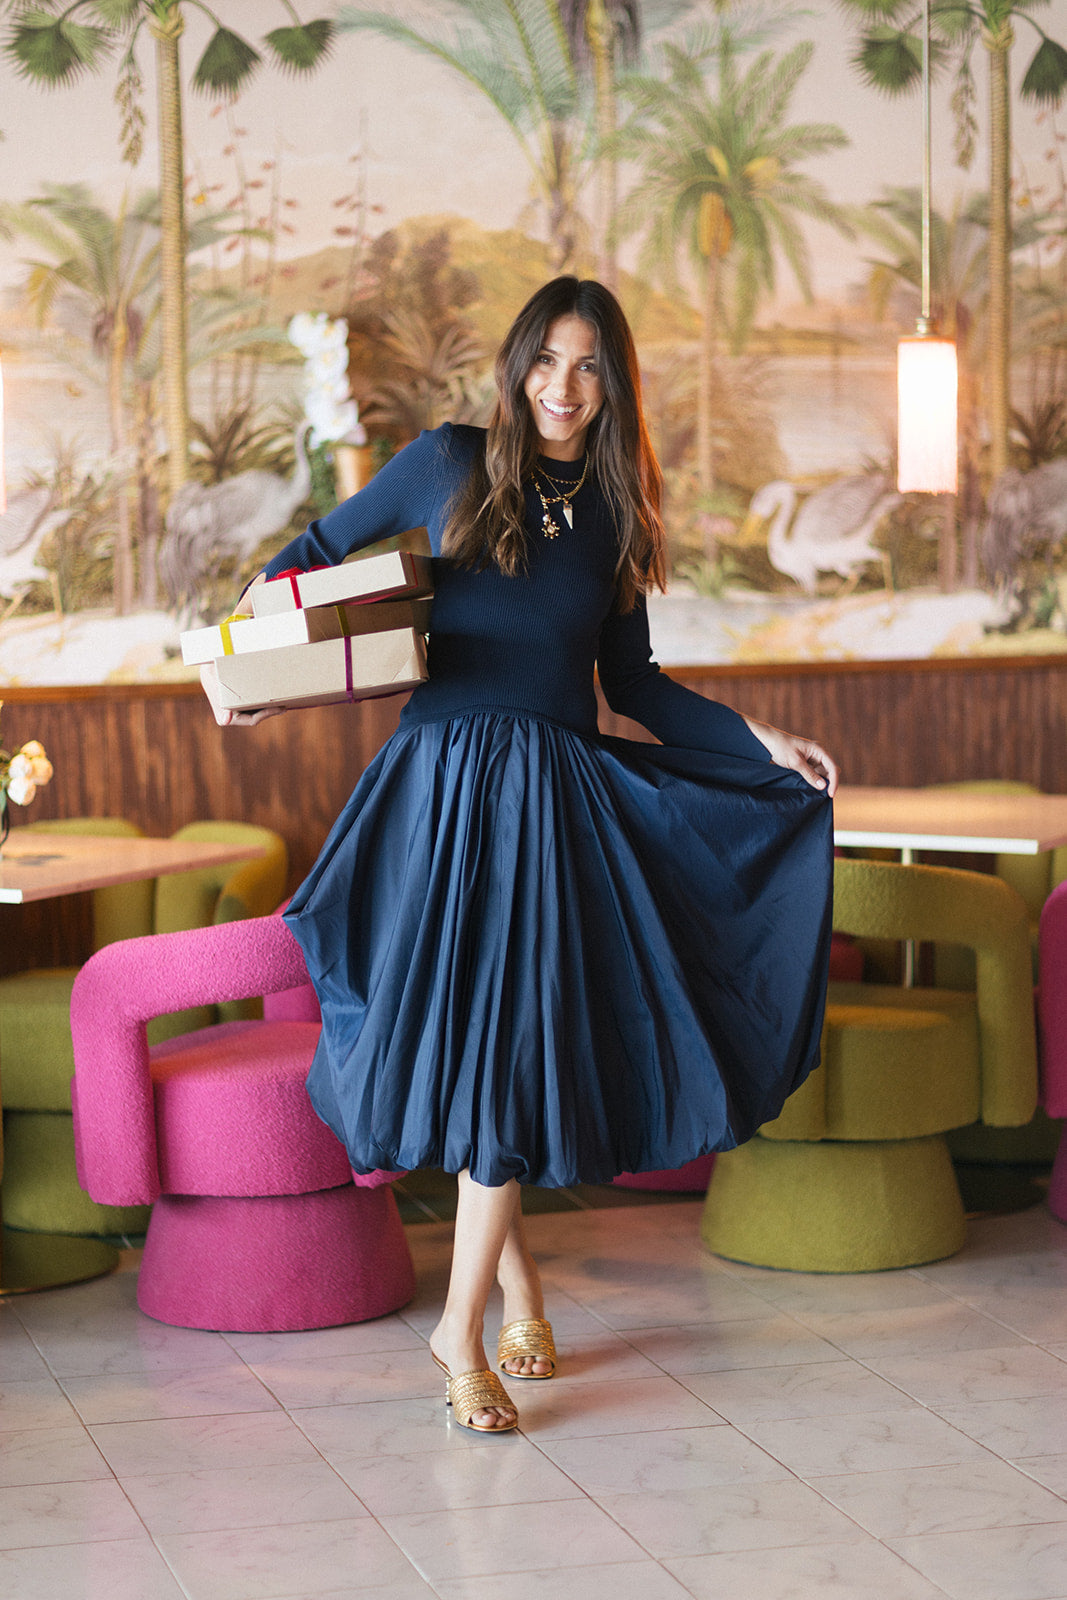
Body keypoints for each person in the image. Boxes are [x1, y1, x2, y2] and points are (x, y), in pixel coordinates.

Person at [202, 276, 838, 1434]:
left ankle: (463, 1329)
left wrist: (760, 739)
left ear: (614, 380)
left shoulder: (617, 509)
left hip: (550, 808)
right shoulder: (450, 460)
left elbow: (634, 687)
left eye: (588, 365)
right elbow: (313, 551)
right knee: (470, 1049)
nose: (563, 387)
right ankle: (513, 1292)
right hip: (438, 796)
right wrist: (246, 673)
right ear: (515, 364)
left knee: (506, 1049)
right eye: (545, 360)